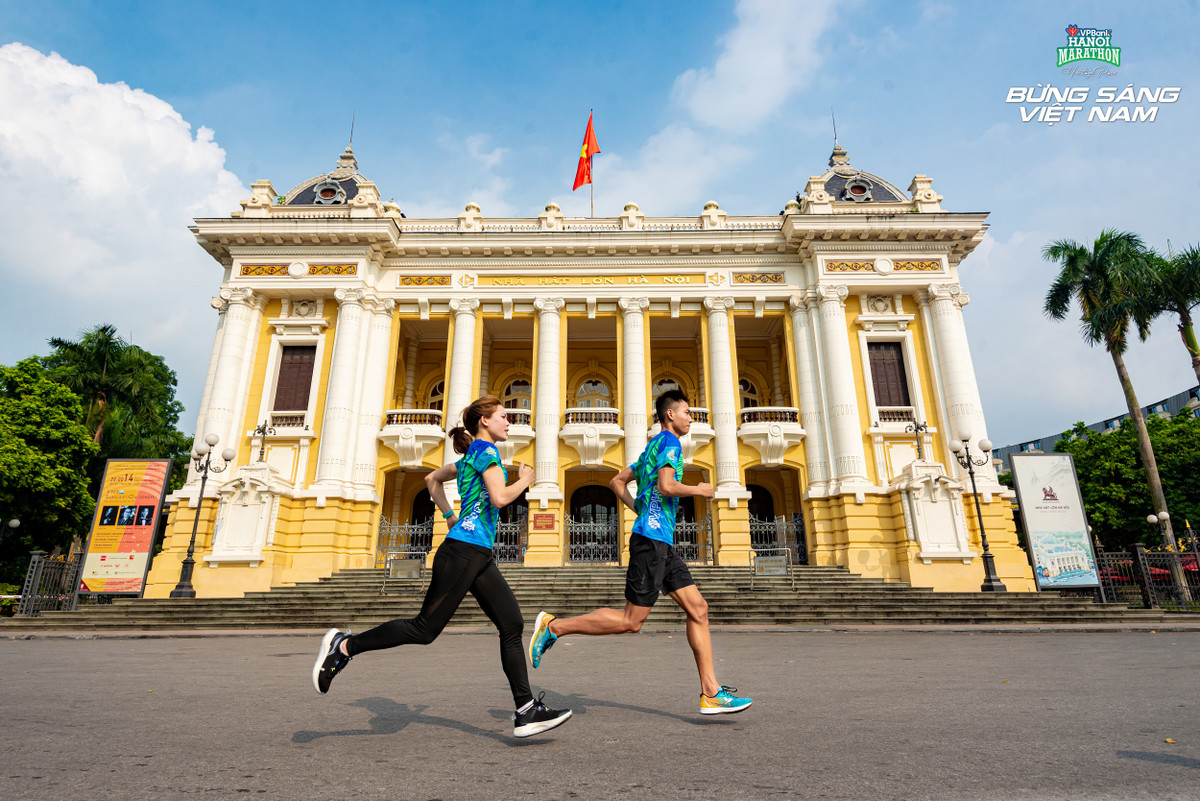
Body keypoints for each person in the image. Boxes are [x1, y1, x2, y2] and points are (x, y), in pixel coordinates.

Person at [312, 395, 572, 738]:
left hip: (474, 553)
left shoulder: (470, 457)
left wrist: (451, 516)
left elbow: (431, 479)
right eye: (503, 416)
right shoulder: (487, 452)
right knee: (424, 629)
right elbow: (500, 498)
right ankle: (344, 647)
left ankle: (525, 710)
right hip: (465, 551)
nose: (509, 422)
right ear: (485, 422)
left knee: (512, 623)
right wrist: (525, 479)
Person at [528, 389, 752, 715]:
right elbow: (666, 486)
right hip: (650, 543)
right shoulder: (670, 444)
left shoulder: (650, 449)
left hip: (661, 542)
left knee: (698, 609)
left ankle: (711, 692)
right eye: (687, 412)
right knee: (631, 621)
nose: (691, 417)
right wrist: (699, 489)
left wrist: (640, 508)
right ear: (670, 415)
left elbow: (617, 481)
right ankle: (553, 627)